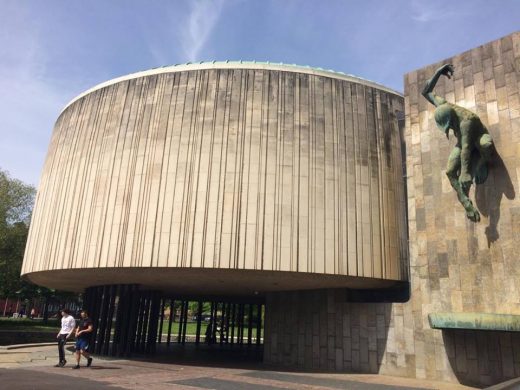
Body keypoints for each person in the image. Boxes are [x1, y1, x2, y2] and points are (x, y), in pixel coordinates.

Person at [422, 63, 494, 222]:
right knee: (449, 171)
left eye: (451, 126)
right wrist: (438, 73)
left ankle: (483, 161)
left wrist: (466, 172)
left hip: (477, 137)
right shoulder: (443, 106)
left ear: (453, 119)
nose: (451, 129)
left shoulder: (465, 122)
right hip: (464, 142)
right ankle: (465, 202)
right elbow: (425, 91)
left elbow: (466, 149)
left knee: (486, 145)